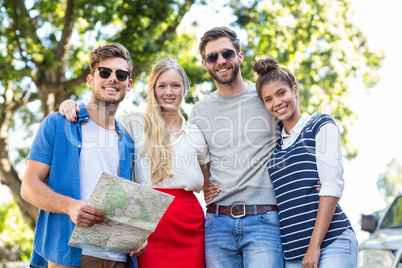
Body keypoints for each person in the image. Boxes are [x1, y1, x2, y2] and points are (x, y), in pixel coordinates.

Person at [59, 58, 210, 268]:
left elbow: (207, 182)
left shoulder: (195, 132)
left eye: (175, 85)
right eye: (162, 85)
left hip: (189, 223)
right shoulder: (134, 123)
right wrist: (72, 104)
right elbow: (98, 117)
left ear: (184, 89)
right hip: (146, 220)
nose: (169, 92)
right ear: (153, 90)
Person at [21, 43, 146, 268]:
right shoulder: (58, 124)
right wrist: (69, 206)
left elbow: (128, 202)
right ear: (91, 80)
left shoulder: (127, 140)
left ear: (129, 84)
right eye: (105, 72)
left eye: (121, 74)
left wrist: (137, 234)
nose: (112, 79)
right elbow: (29, 186)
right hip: (70, 256)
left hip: (119, 258)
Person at [189, 26, 284, 267]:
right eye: (212, 56)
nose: (221, 61)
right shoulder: (200, 110)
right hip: (217, 223)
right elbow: (196, 156)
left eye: (227, 54)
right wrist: (204, 184)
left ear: (239, 56)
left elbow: (295, 133)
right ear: (204, 63)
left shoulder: (265, 96)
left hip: (264, 219)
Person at [252, 57, 358, 267]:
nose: (277, 103)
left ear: (295, 90)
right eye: (268, 99)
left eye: (281, 93)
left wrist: (314, 246)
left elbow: (332, 187)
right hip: (292, 254)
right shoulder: (275, 149)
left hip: (331, 243)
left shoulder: (321, 125)